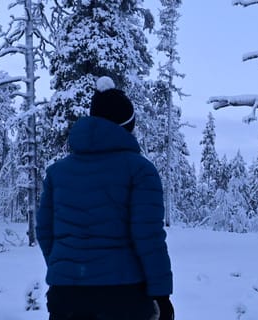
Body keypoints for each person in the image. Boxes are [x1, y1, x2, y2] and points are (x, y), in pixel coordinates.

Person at [36, 76, 174, 320]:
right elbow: (148, 237)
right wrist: (161, 295)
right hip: (124, 296)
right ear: (127, 126)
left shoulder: (57, 172)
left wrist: (67, 270)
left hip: (65, 297)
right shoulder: (140, 170)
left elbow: (45, 232)